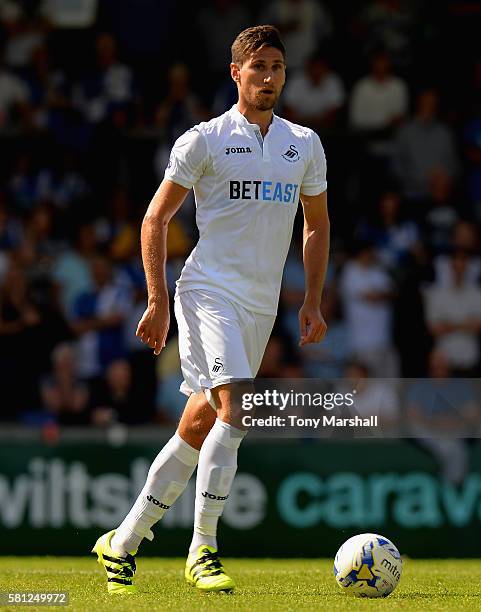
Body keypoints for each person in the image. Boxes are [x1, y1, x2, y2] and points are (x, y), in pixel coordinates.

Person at [91, 25, 329, 594]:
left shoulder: (306, 143)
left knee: (200, 422)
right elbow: (155, 220)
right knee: (236, 404)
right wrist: (157, 299)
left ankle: (121, 541)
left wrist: (314, 299)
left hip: (260, 302)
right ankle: (204, 548)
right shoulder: (203, 140)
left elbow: (316, 223)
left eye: (277, 66)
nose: (269, 76)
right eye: (259, 67)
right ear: (236, 73)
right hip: (207, 291)